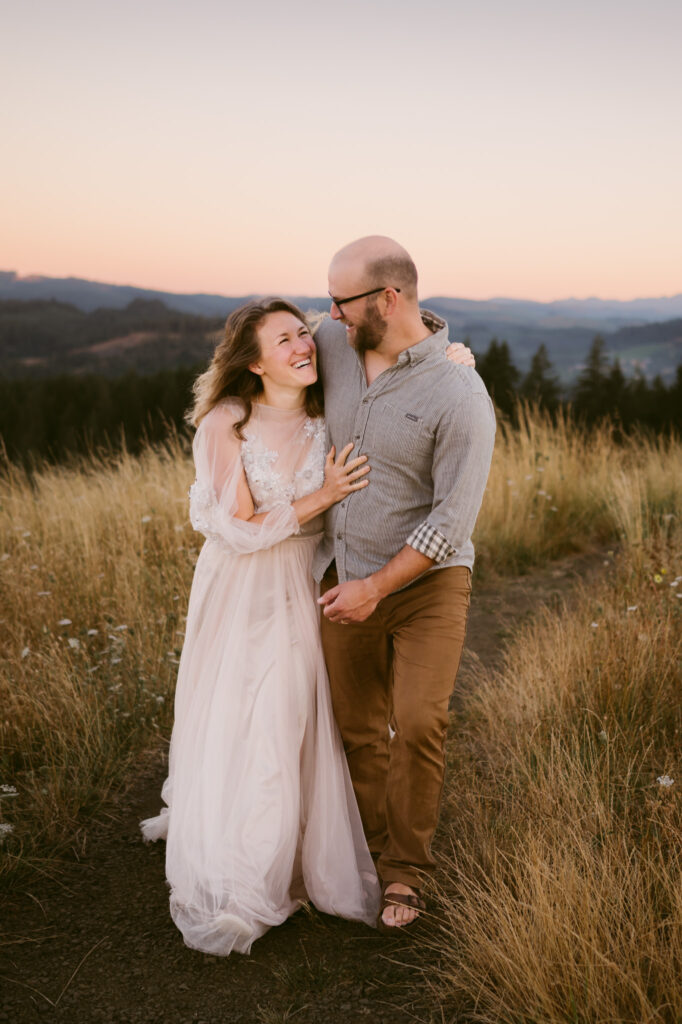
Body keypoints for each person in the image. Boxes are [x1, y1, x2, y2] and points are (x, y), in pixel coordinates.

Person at [140, 297, 381, 955]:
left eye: (304, 333)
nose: (303, 346)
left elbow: (393, 356)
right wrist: (323, 495)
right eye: (284, 340)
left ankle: (272, 860)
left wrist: (447, 359)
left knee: (285, 715)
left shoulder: (326, 420)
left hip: (300, 585)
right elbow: (236, 527)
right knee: (238, 714)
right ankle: (244, 881)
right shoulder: (229, 422)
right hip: (240, 586)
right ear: (253, 361)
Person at [314, 236, 496, 932]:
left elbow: (450, 523)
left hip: (426, 583)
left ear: (389, 299)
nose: (327, 314)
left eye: (341, 301)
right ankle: (370, 853)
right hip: (344, 569)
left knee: (419, 720)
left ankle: (406, 875)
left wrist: (377, 589)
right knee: (359, 728)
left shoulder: (459, 393)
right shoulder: (331, 344)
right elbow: (265, 350)